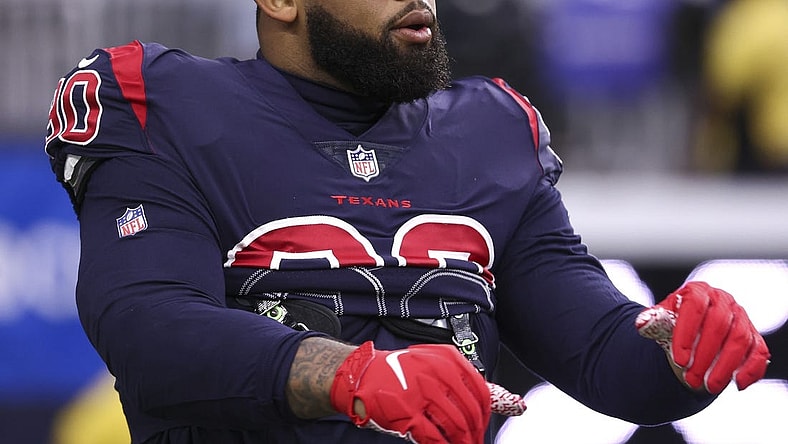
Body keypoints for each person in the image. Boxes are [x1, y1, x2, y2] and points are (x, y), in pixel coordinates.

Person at [44, 1, 770, 443]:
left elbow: (601, 352)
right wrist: (350, 375)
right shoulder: (166, 105)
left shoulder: (491, 130)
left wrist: (683, 354)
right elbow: (149, 325)